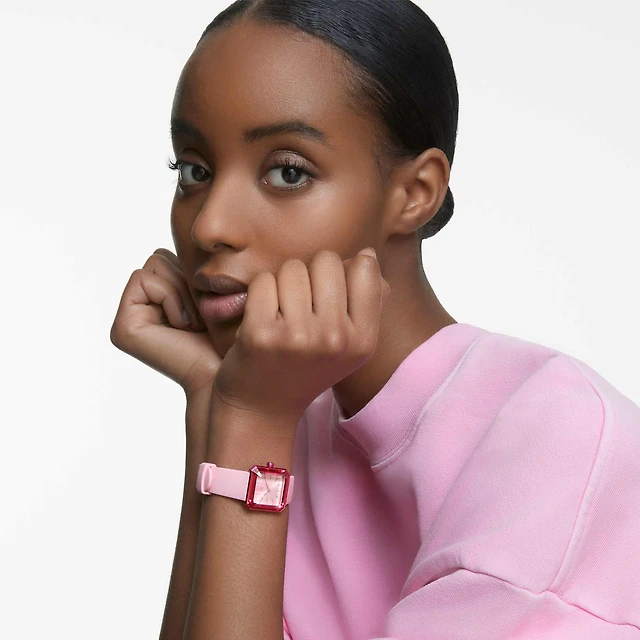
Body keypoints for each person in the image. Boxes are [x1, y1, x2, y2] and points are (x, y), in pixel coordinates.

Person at [110, 1, 640, 638]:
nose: (209, 225)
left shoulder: (558, 442)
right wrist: (214, 405)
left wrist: (248, 424)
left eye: (287, 172)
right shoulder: (272, 409)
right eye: (195, 170)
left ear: (415, 194)